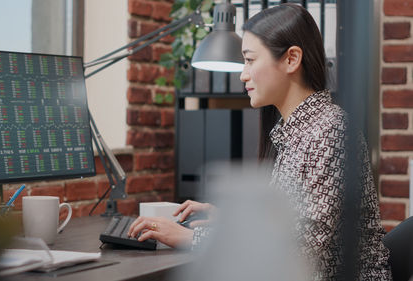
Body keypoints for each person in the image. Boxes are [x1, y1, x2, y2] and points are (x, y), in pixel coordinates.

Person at [128, 3, 392, 280]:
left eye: (250, 60)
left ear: (291, 59)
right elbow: (289, 223)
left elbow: (299, 250)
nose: (243, 75)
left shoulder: (330, 130)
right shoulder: (295, 130)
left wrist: (191, 237)